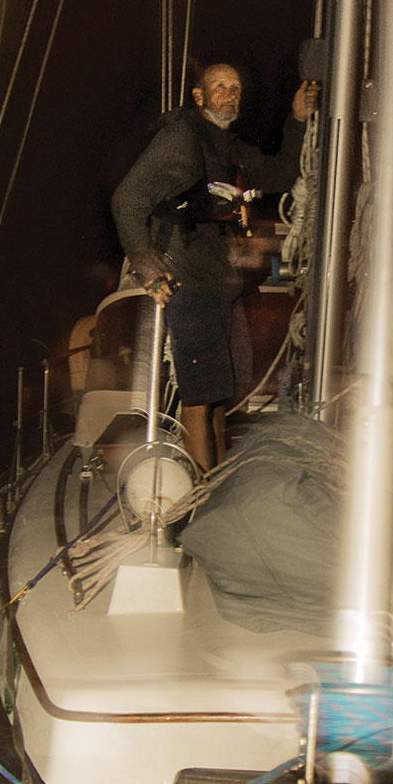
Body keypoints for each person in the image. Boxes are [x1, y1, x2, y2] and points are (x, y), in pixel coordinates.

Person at [111, 61, 316, 475]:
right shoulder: (181, 138)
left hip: (221, 284)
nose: (229, 94)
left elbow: (278, 173)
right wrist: (148, 268)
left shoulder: (227, 145)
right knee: (200, 400)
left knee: (220, 397)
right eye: (219, 86)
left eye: (235, 87)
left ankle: (218, 482)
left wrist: (296, 121)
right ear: (199, 96)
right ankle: (201, 495)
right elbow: (127, 199)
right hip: (189, 283)